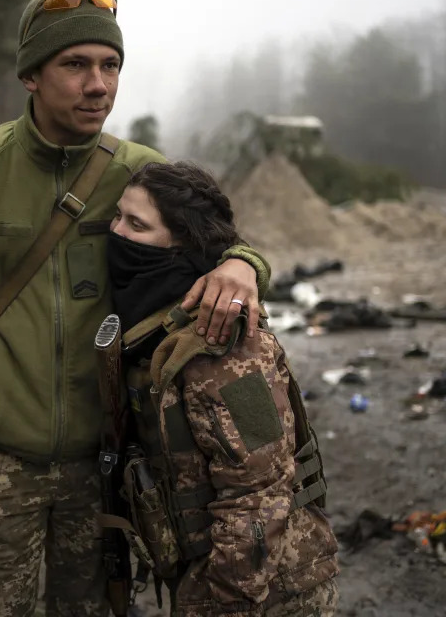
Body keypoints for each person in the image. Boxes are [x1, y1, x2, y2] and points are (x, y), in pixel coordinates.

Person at [0, 0, 271, 616]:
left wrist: (245, 264)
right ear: (31, 77)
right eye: (75, 65)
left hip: (104, 468)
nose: (99, 85)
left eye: (110, 65)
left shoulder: (140, 172)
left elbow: (227, 247)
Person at [108, 161, 339, 617]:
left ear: (181, 246)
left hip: (270, 590)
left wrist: (222, 603)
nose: (116, 233)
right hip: (214, 573)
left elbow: (259, 498)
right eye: (117, 217)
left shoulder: (221, 347)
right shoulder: (154, 322)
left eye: (137, 225)